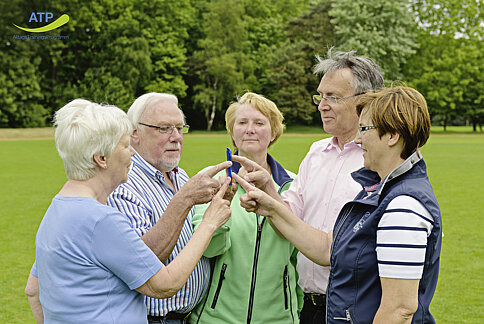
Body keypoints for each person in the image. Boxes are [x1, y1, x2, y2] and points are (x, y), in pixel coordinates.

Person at [234, 86, 442, 323]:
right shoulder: (377, 191)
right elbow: (326, 249)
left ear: (392, 136)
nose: (357, 138)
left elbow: (400, 310)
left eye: (364, 129)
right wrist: (271, 205)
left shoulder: (403, 206)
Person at [24, 99, 233, 324]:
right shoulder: (100, 221)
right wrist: (209, 223)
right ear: (101, 159)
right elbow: (165, 284)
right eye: (124, 146)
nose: (132, 153)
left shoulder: (58, 208)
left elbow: (33, 290)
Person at [276, 49, 384, 323]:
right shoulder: (316, 152)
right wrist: (264, 187)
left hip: (356, 310)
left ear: (364, 101)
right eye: (320, 96)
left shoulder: (380, 159)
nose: (321, 105)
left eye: (332, 97)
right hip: (309, 307)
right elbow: (290, 213)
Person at [107, 93, 236, 324]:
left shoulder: (179, 175)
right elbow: (141, 263)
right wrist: (185, 199)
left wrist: (217, 203)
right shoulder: (124, 183)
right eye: (164, 128)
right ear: (134, 133)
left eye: (180, 127)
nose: (176, 137)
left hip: (189, 317)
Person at [189, 92, 301, 323]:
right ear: (232, 131)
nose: (250, 129)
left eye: (259, 123)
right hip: (216, 318)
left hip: (279, 319)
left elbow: (300, 252)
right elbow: (208, 249)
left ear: (274, 132)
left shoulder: (294, 184)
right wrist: (223, 206)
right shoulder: (210, 179)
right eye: (242, 122)